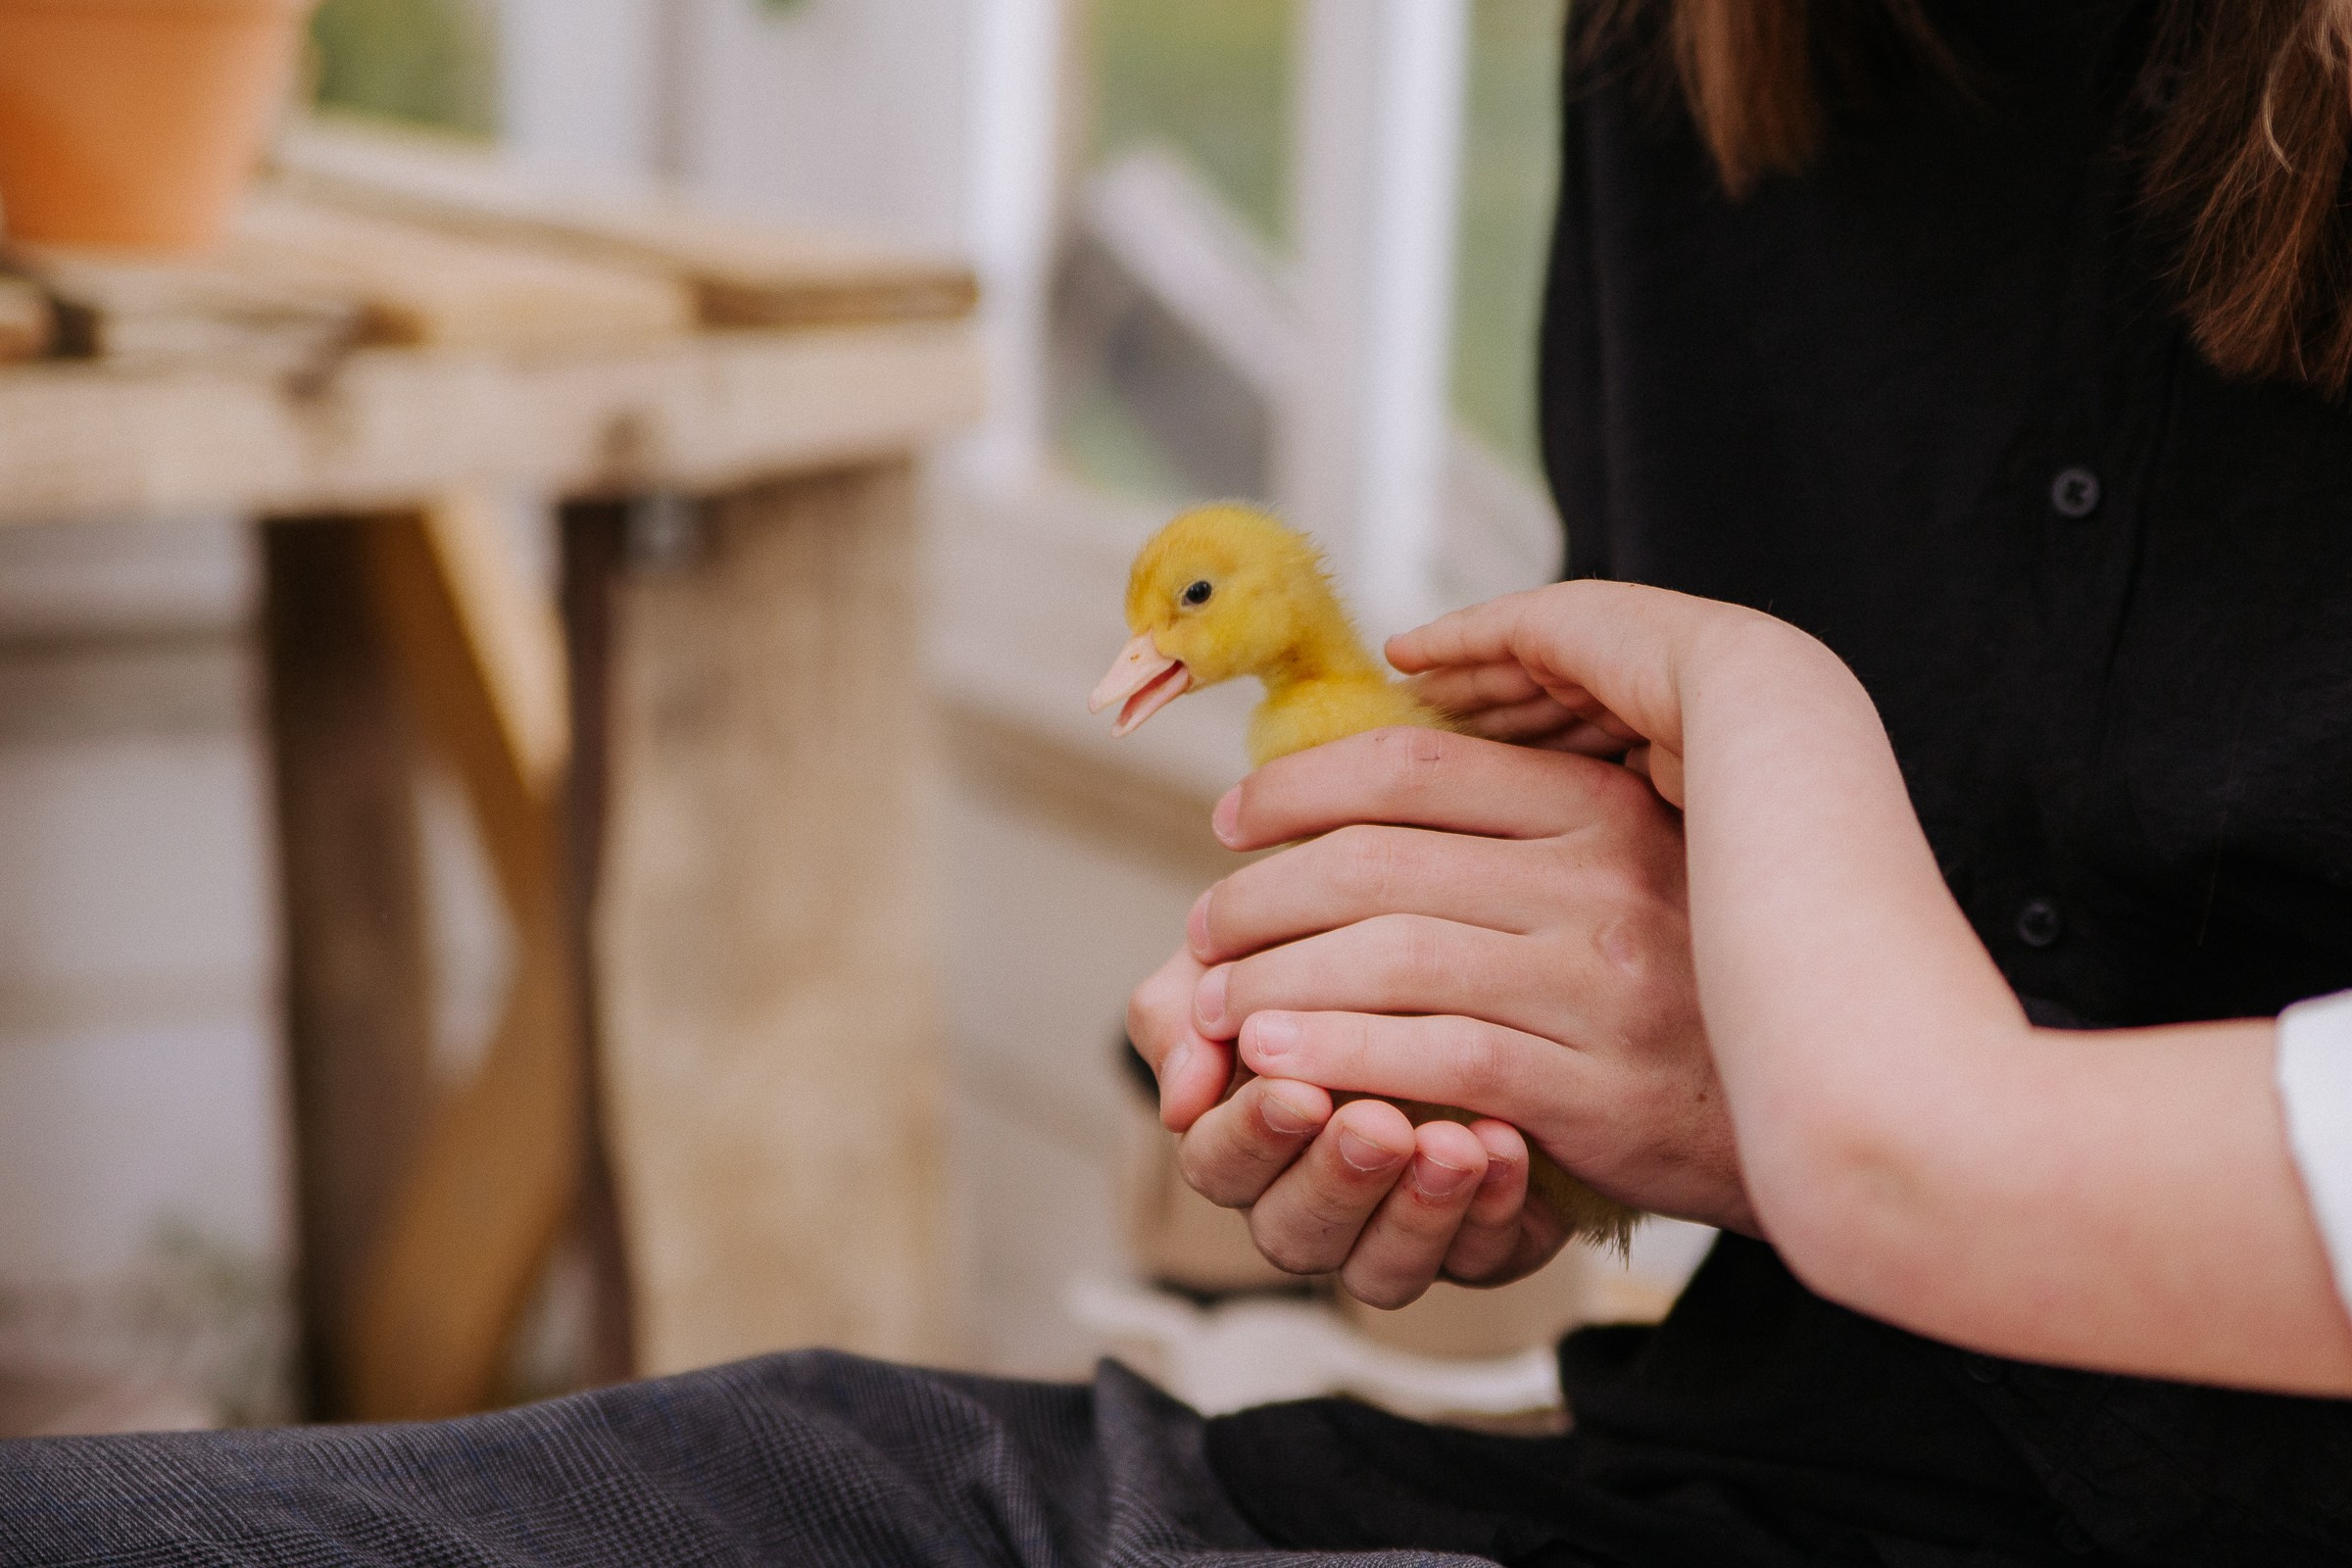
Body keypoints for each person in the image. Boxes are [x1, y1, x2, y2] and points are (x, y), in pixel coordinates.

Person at [5, 1, 2350, 1564]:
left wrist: (1784, 838)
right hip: (1708, 1488)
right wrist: (1511, 1078)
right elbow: (1645, 951)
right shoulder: (1697, 52)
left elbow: (1878, 1110)